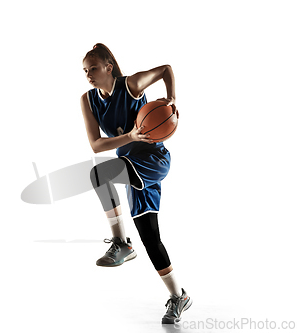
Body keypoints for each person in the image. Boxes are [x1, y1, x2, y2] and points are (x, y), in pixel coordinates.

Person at [80, 43, 191, 324]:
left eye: (93, 68)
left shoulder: (130, 85)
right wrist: (130, 137)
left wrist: (172, 99)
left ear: (108, 67)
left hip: (153, 159)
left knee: (99, 175)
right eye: (84, 70)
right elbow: (96, 144)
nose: (88, 75)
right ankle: (179, 296)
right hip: (130, 164)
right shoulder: (88, 100)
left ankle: (121, 243)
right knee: (151, 237)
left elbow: (166, 69)